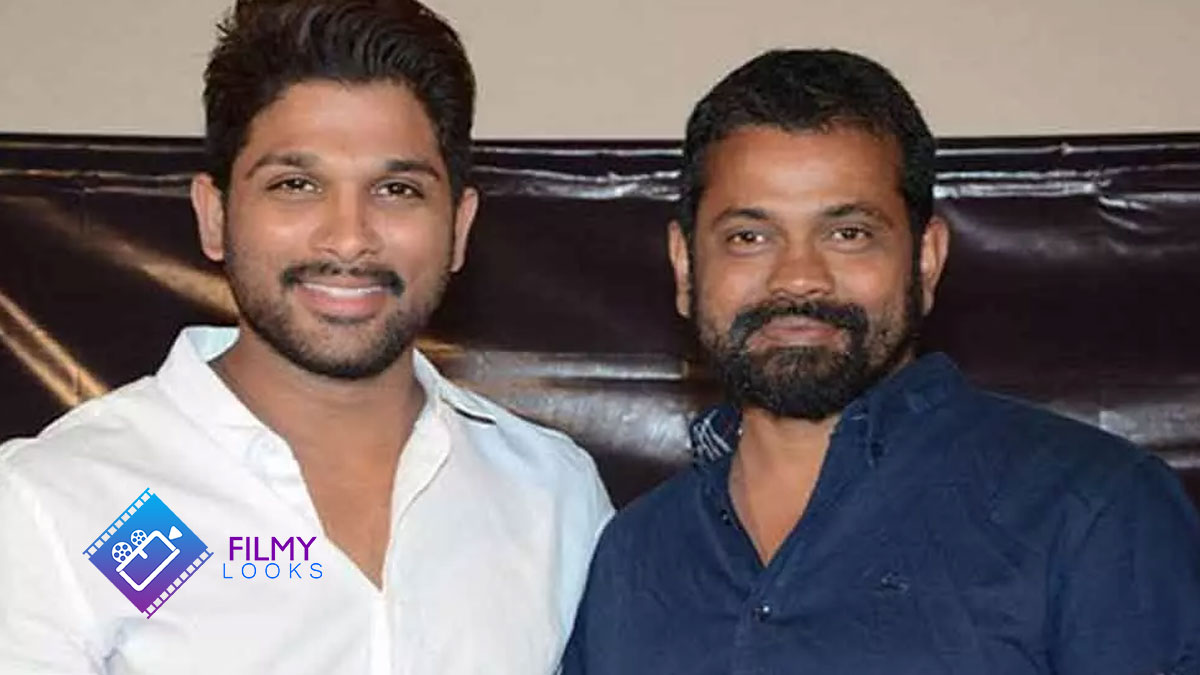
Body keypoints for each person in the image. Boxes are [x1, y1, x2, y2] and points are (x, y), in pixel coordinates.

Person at [0, 1, 611, 673]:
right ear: (215, 214)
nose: (348, 238)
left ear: (459, 227)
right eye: (296, 184)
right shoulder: (61, 500)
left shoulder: (555, 497)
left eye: (397, 189)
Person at [562, 48, 1200, 674]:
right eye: (749, 237)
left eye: (849, 234)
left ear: (926, 260)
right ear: (685, 266)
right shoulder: (633, 555)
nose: (799, 278)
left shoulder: (1091, 509)